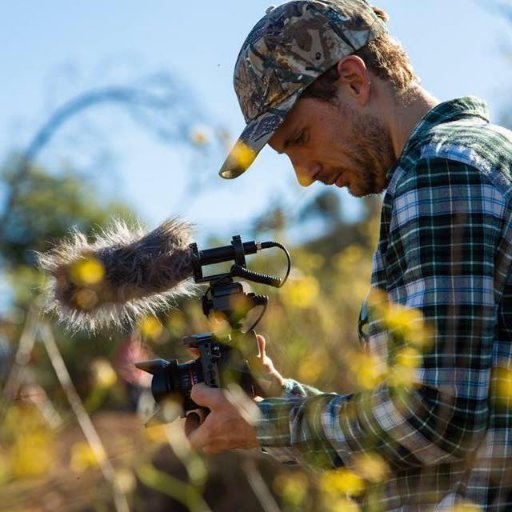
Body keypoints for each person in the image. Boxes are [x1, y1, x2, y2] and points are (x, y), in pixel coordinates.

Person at [187, 0, 512, 509]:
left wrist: (261, 427)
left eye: (300, 139)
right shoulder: (479, 157)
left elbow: (434, 419)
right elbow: (433, 410)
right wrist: (280, 397)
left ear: (355, 80)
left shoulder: (441, 172)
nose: (304, 173)